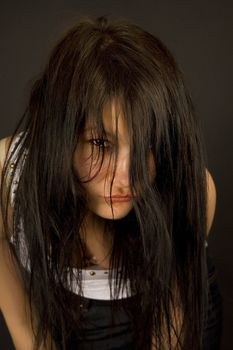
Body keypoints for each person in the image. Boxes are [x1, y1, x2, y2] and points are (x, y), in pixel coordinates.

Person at [0, 15, 222, 350]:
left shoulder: (191, 188)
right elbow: (27, 332)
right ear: (59, 135)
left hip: (171, 316)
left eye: (148, 145)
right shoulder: (7, 174)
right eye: (100, 143)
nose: (126, 178)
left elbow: (170, 328)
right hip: (62, 320)